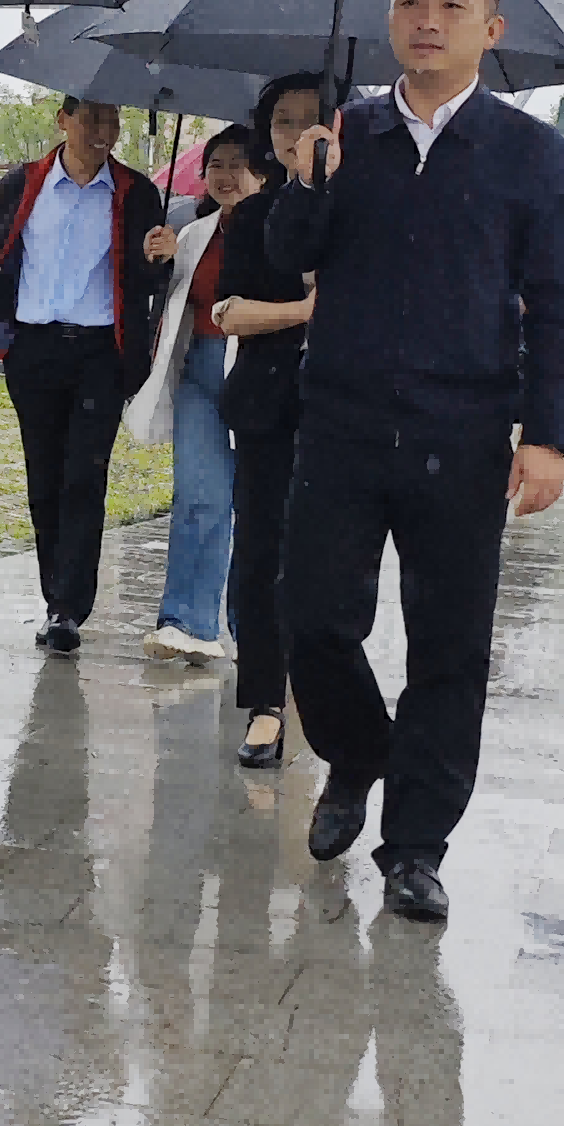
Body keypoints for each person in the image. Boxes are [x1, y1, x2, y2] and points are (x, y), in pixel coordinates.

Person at [269, 0, 564, 926]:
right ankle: (358, 751)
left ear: (490, 29)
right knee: (311, 617)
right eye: (411, 0)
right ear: (389, 16)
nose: (427, 19)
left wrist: (549, 433)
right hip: (343, 420)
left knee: (448, 647)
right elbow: (285, 255)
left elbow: (557, 300)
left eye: (452, 5)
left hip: (465, 425)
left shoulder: (527, 152)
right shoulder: (347, 134)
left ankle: (413, 848)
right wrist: (305, 182)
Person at [0, 97, 171, 653]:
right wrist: (0, 333)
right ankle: (54, 592)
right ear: (64, 119)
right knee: (44, 478)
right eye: (92, 118)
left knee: (84, 475)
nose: (105, 131)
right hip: (33, 350)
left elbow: (149, 282)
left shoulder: (136, 192)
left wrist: (160, 257)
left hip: (100, 353)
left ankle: (68, 609)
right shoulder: (22, 184)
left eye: (112, 120)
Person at [126, 126, 269, 662]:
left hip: (259, 373)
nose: (225, 175)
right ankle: (186, 621)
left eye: (238, 164)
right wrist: (160, 260)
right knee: (199, 495)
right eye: (216, 165)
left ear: (262, 173)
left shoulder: (282, 229)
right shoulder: (193, 232)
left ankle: (254, 628)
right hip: (200, 373)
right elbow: (164, 300)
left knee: (258, 506)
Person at [218, 73, 321, 766]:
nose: (295, 133)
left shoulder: (366, 205)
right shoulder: (254, 215)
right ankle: (264, 702)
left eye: (310, 119)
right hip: (265, 404)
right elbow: (230, 312)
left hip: (346, 410)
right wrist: (305, 311)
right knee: (259, 554)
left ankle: (319, 686)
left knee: (326, 560)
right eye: (282, 120)